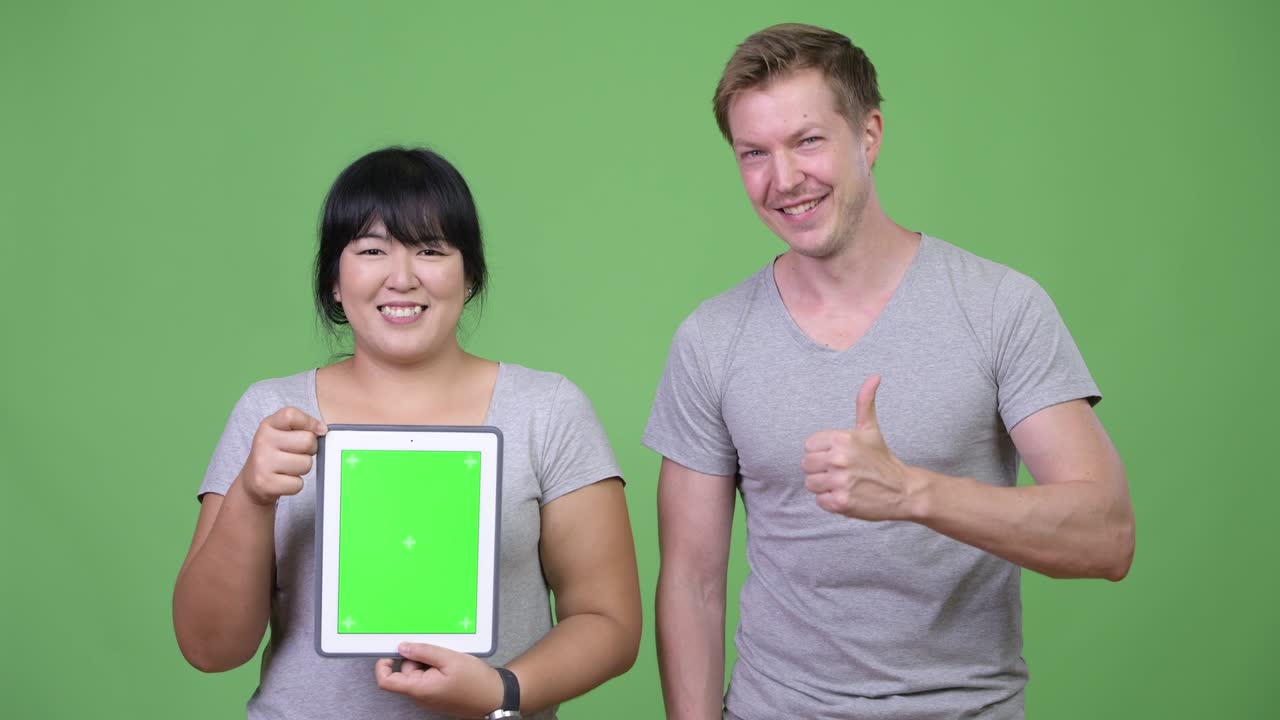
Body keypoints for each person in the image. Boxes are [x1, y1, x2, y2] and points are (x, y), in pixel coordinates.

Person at [644, 23, 1135, 720]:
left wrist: (911, 492)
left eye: (808, 141)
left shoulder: (998, 306)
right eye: (755, 153)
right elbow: (692, 581)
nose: (783, 180)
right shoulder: (710, 339)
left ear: (869, 135)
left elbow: (1106, 534)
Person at [174, 147, 641, 720]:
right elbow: (209, 648)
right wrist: (251, 495)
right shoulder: (272, 413)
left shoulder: (547, 410)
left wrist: (501, 691)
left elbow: (609, 622)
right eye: (372, 250)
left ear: (469, 275)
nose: (402, 277)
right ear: (335, 282)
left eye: (431, 250)